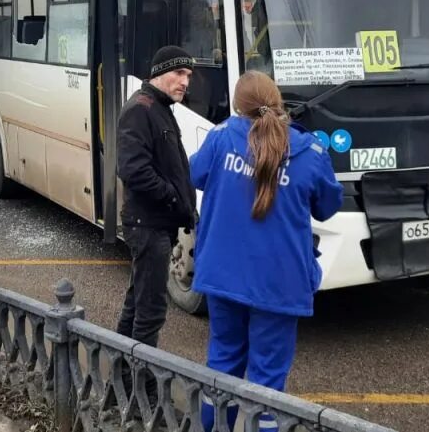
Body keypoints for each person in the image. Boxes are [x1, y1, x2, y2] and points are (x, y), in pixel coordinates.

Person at [188, 71, 343, 430]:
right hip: (279, 283)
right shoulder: (310, 152)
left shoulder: (222, 138)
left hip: (223, 276)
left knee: (222, 366)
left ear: (238, 108)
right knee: (268, 383)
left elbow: (194, 174)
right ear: (278, 102)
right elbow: (327, 206)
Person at [115, 45, 198, 348]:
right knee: (150, 311)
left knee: (137, 304)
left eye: (188, 75)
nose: (185, 81)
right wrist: (174, 199)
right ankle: (143, 387)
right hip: (147, 224)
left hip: (156, 223)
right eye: (179, 73)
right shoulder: (141, 109)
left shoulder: (159, 107)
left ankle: (122, 376)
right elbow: (133, 170)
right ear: (160, 72)